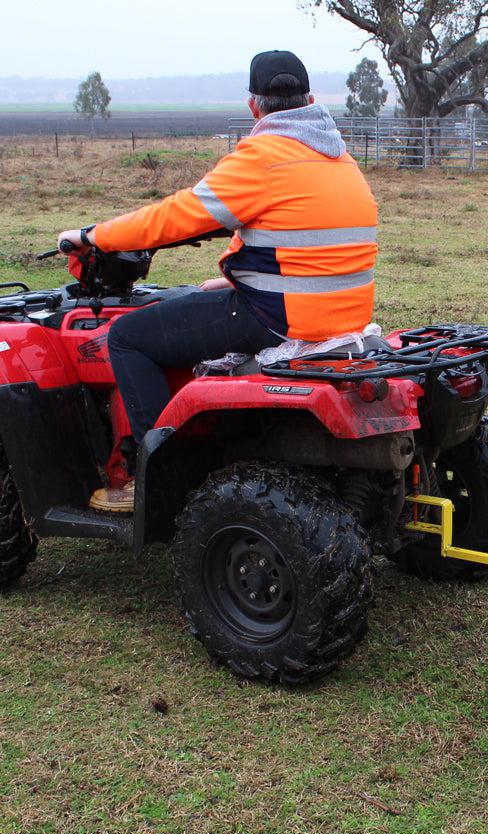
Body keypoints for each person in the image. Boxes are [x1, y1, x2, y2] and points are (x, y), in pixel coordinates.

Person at [57, 50, 379, 513]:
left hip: (279, 319)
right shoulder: (338, 158)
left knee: (127, 337)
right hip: (341, 316)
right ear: (310, 100)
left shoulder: (264, 156)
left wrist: (91, 236)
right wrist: (234, 277)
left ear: (254, 106)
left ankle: (159, 475)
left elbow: (176, 215)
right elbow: (295, 243)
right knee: (198, 306)